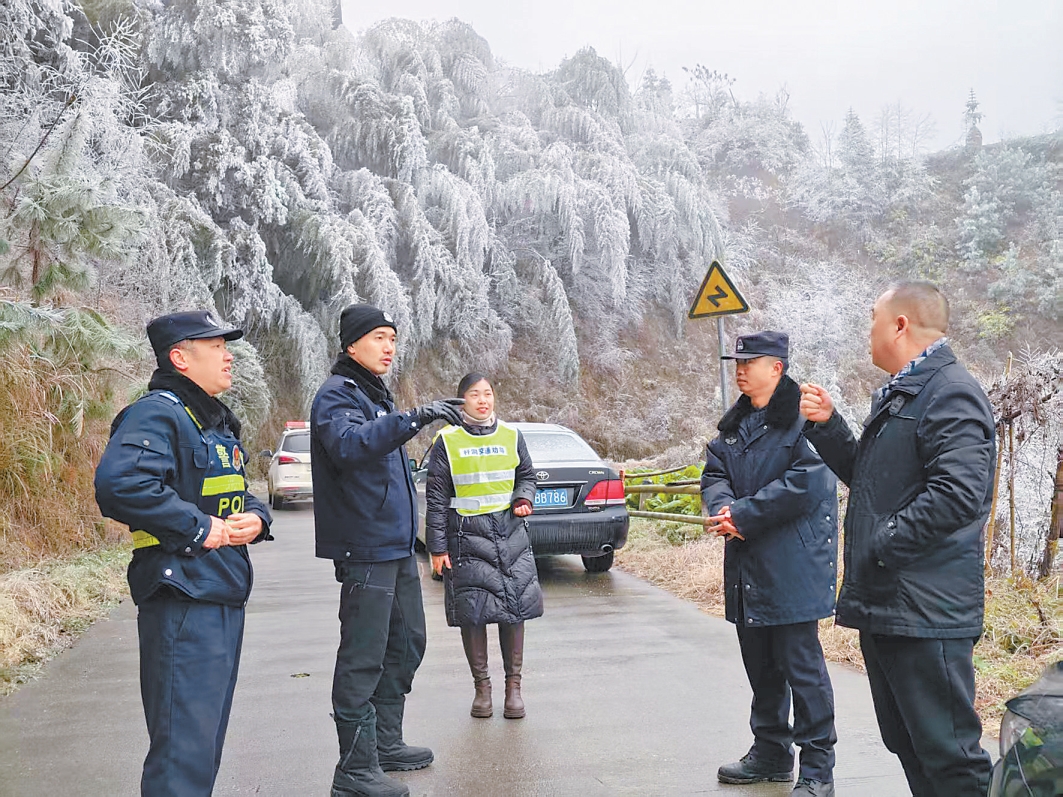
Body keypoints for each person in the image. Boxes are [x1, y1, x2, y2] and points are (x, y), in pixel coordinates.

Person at [799, 281, 995, 797]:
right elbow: (874, 484)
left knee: (950, 759)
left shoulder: (950, 391)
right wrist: (830, 427)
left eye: (873, 318)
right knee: (910, 744)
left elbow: (959, 494)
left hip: (925, 610)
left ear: (900, 325)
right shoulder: (906, 393)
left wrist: (883, 544)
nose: (868, 329)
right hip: (893, 604)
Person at [95, 310, 273, 797]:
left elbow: (232, 491)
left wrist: (258, 518)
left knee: (202, 746)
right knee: (182, 753)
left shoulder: (210, 422)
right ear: (180, 358)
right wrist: (199, 528)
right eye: (216, 347)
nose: (228, 356)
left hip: (218, 591)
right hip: (182, 600)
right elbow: (121, 485)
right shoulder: (158, 413)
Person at [311, 303, 465, 797]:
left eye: (393, 339)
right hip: (364, 548)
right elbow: (350, 445)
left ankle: (384, 744)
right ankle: (354, 770)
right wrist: (414, 418)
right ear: (351, 344)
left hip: (395, 548)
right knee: (363, 655)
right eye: (378, 337)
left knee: (406, 643)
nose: (389, 347)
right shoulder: (337, 395)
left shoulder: (374, 395)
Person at [700, 331, 839, 797]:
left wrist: (742, 515)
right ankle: (771, 754)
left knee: (803, 671)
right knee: (760, 666)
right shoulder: (734, 426)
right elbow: (714, 474)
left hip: (793, 564)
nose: (740, 370)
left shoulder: (805, 419)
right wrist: (724, 509)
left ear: (777, 367)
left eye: (750, 362)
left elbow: (807, 483)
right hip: (748, 565)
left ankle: (817, 770)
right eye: (737, 362)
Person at [424, 373, 544, 720]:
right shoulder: (447, 441)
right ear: (461, 400)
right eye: (474, 394)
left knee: (514, 610)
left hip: (510, 535)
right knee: (472, 612)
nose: (482, 400)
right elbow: (436, 499)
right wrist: (437, 548)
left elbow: (527, 476)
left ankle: (514, 689)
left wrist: (523, 498)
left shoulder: (511, 435)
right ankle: (482, 689)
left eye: (487, 393)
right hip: (466, 537)